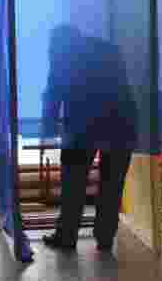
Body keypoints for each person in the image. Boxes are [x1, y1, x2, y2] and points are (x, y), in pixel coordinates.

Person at [42, 25, 138, 253]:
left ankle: (67, 236)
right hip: (120, 126)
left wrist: (48, 126)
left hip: (81, 128)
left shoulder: (62, 53)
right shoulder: (110, 50)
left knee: (73, 185)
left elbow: (53, 92)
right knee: (112, 185)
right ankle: (105, 238)